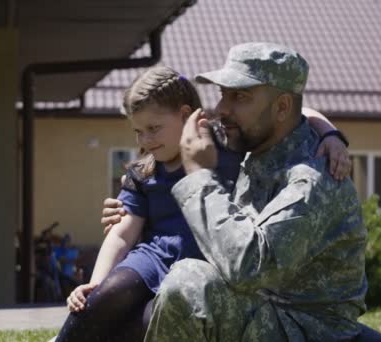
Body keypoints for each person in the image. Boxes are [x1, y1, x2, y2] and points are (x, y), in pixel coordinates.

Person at [55, 65, 351, 342]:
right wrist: (94, 285)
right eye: (138, 131)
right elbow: (121, 234)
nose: (145, 139)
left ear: (185, 115)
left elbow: (297, 113)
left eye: (154, 128)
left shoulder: (220, 142)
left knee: (151, 320)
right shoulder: (143, 173)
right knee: (109, 294)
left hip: (203, 265)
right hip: (152, 259)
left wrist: (331, 134)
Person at [138, 43, 368, 341]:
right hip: (269, 307)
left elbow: (248, 268)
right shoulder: (261, 146)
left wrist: (198, 175)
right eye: (222, 94)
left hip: (310, 327)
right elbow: (302, 111)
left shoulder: (310, 180)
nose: (221, 109)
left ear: (282, 107)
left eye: (239, 96)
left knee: (188, 284)